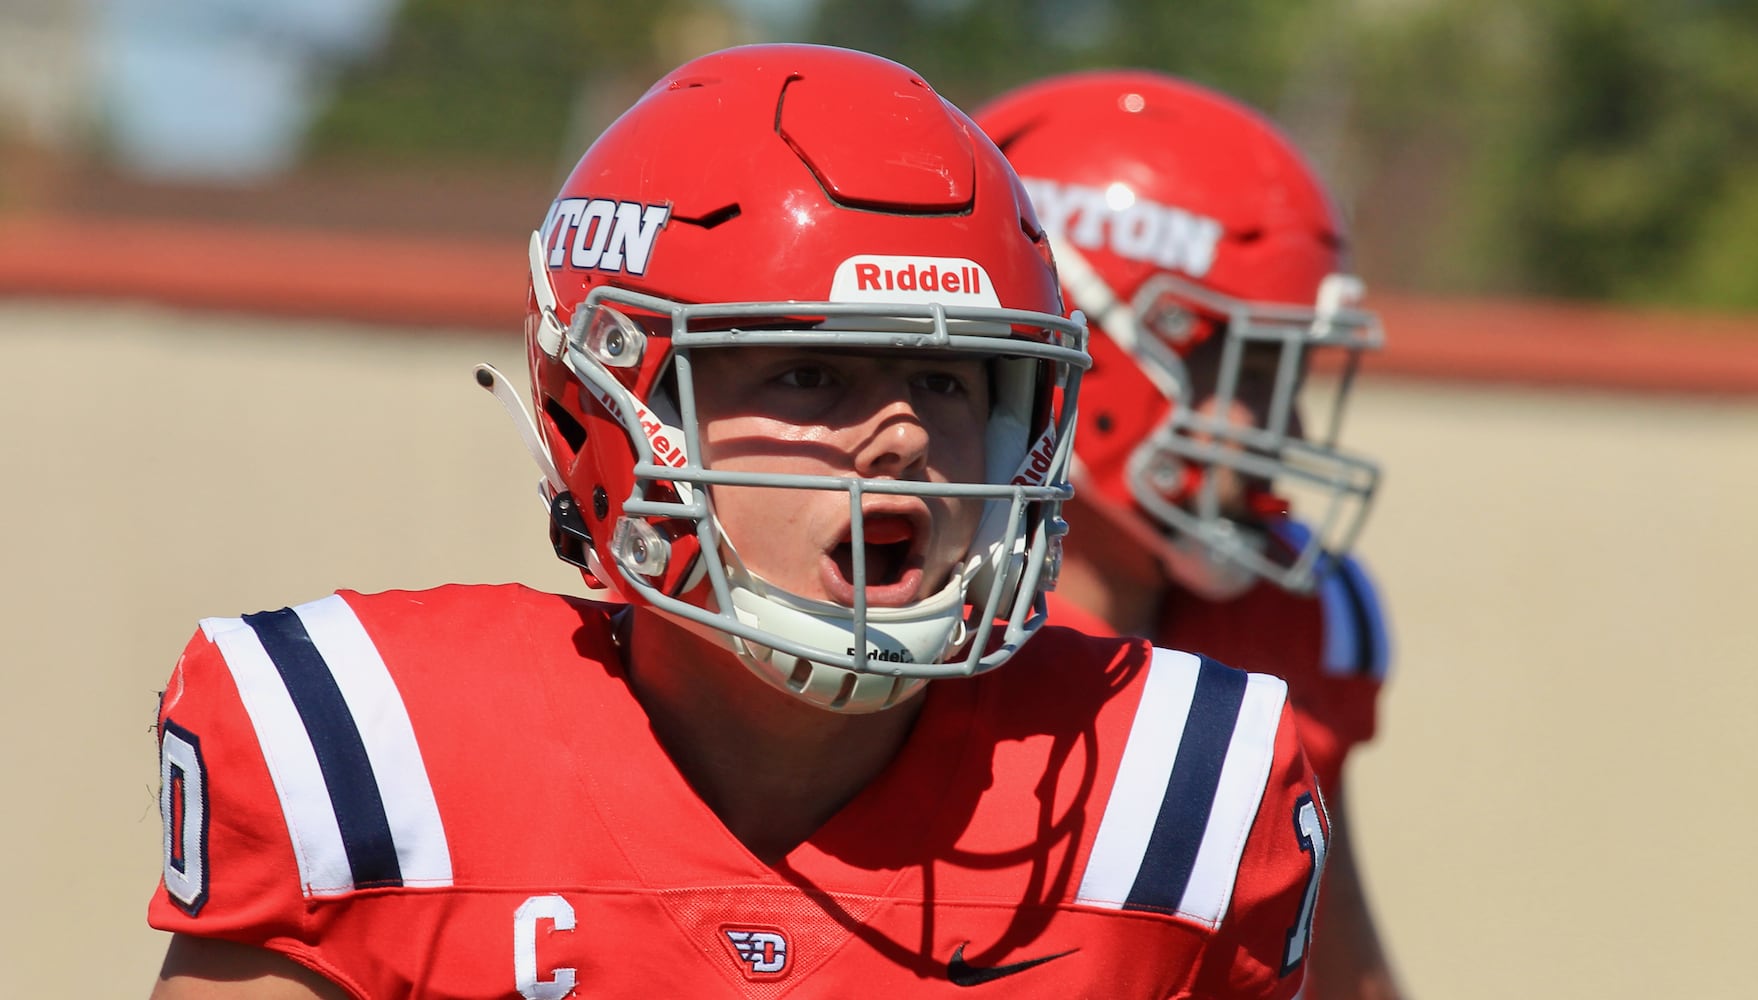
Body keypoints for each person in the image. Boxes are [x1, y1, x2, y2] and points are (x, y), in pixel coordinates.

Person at [148, 45, 1329, 998]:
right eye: (813, 377)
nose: (904, 436)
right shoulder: (369, 755)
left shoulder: (1167, 789)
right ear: (608, 410)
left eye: (956, 382)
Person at [975, 72, 1404, 1000]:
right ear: (1099, 350)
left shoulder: (1293, 626)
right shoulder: (918, 624)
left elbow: (1342, 972)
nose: (1282, 430)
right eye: (1250, 370)